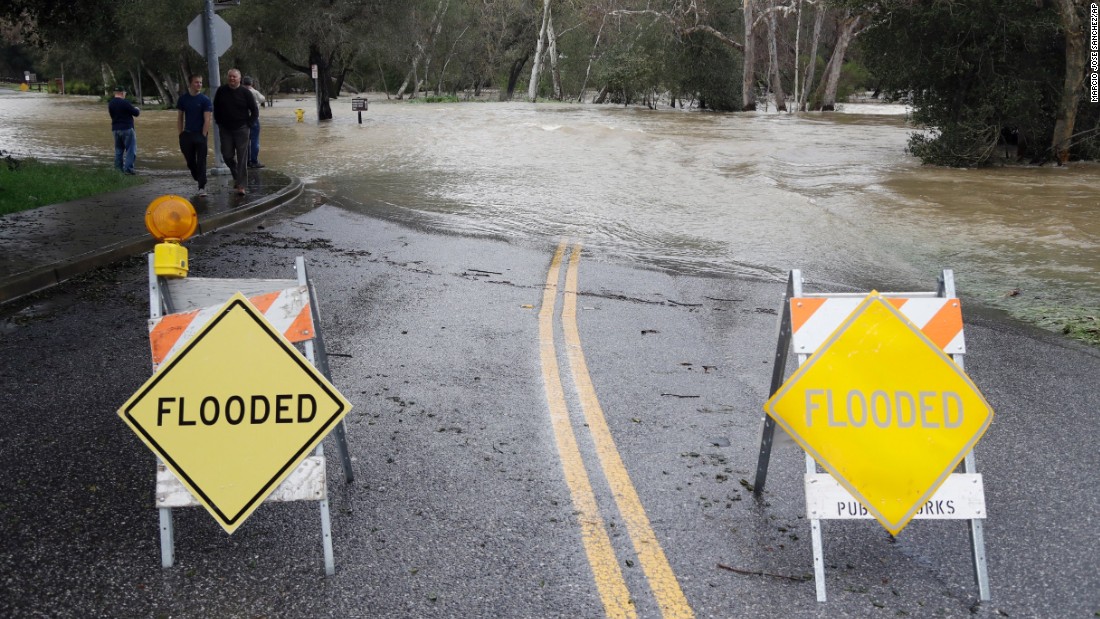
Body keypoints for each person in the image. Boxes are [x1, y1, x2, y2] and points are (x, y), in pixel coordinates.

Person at [212, 68, 257, 196]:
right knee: (226, 155)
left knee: (242, 157)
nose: (232, 79)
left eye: (234, 77)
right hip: (225, 128)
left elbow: (254, 111)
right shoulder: (221, 91)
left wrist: (249, 124)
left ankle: (241, 185)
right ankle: (237, 174)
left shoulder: (245, 92)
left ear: (239, 78)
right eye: (230, 76)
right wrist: (219, 122)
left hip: (242, 128)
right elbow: (216, 107)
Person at [176, 75, 213, 196]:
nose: (199, 85)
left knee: (201, 161)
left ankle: (202, 186)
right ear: (190, 83)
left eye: (201, 83)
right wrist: (180, 133)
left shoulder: (205, 100)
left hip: (200, 134)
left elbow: (207, 119)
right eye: (197, 82)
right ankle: (198, 177)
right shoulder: (183, 99)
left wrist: (203, 134)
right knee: (190, 161)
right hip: (186, 134)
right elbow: (180, 116)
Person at [108, 85, 140, 175]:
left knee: (118, 150)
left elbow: (112, 116)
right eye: (125, 92)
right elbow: (136, 113)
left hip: (115, 129)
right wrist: (137, 109)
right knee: (130, 149)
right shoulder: (125, 103)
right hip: (127, 129)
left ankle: (118, 171)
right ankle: (128, 170)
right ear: (122, 93)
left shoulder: (111, 103)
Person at [242, 76, 266, 169]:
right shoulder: (254, 92)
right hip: (254, 119)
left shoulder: (240, 91)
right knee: (255, 140)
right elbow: (263, 99)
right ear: (251, 83)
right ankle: (254, 161)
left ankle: (246, 161)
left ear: (243, 83)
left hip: (243, 119)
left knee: (245, 141)